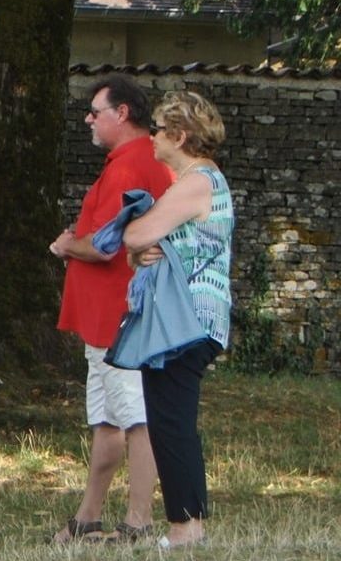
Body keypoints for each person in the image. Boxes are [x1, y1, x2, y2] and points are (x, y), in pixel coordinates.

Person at [47, 76, 171, 542]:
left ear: (122, 113)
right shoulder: (137, 161)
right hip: (108, 318)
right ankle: (88, 516)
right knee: (107, 419)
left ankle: (138, 522)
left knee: (135, 418)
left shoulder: (128, 166)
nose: (88, 119)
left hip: (120, 316)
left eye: (95, 110)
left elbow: (104, 247)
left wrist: (65, 245)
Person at [123, 91, 234, 551]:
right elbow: (143, 248)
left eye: (158, 128)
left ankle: (184, 529)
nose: (151, 136)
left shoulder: (197, 182)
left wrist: (136, 243)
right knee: (170, 420)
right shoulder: (194, 181)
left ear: (179, 135)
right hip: (184, 319)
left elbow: (137, 232)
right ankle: (190, 525)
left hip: (186, 319)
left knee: (170, 423)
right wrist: (138, 251)